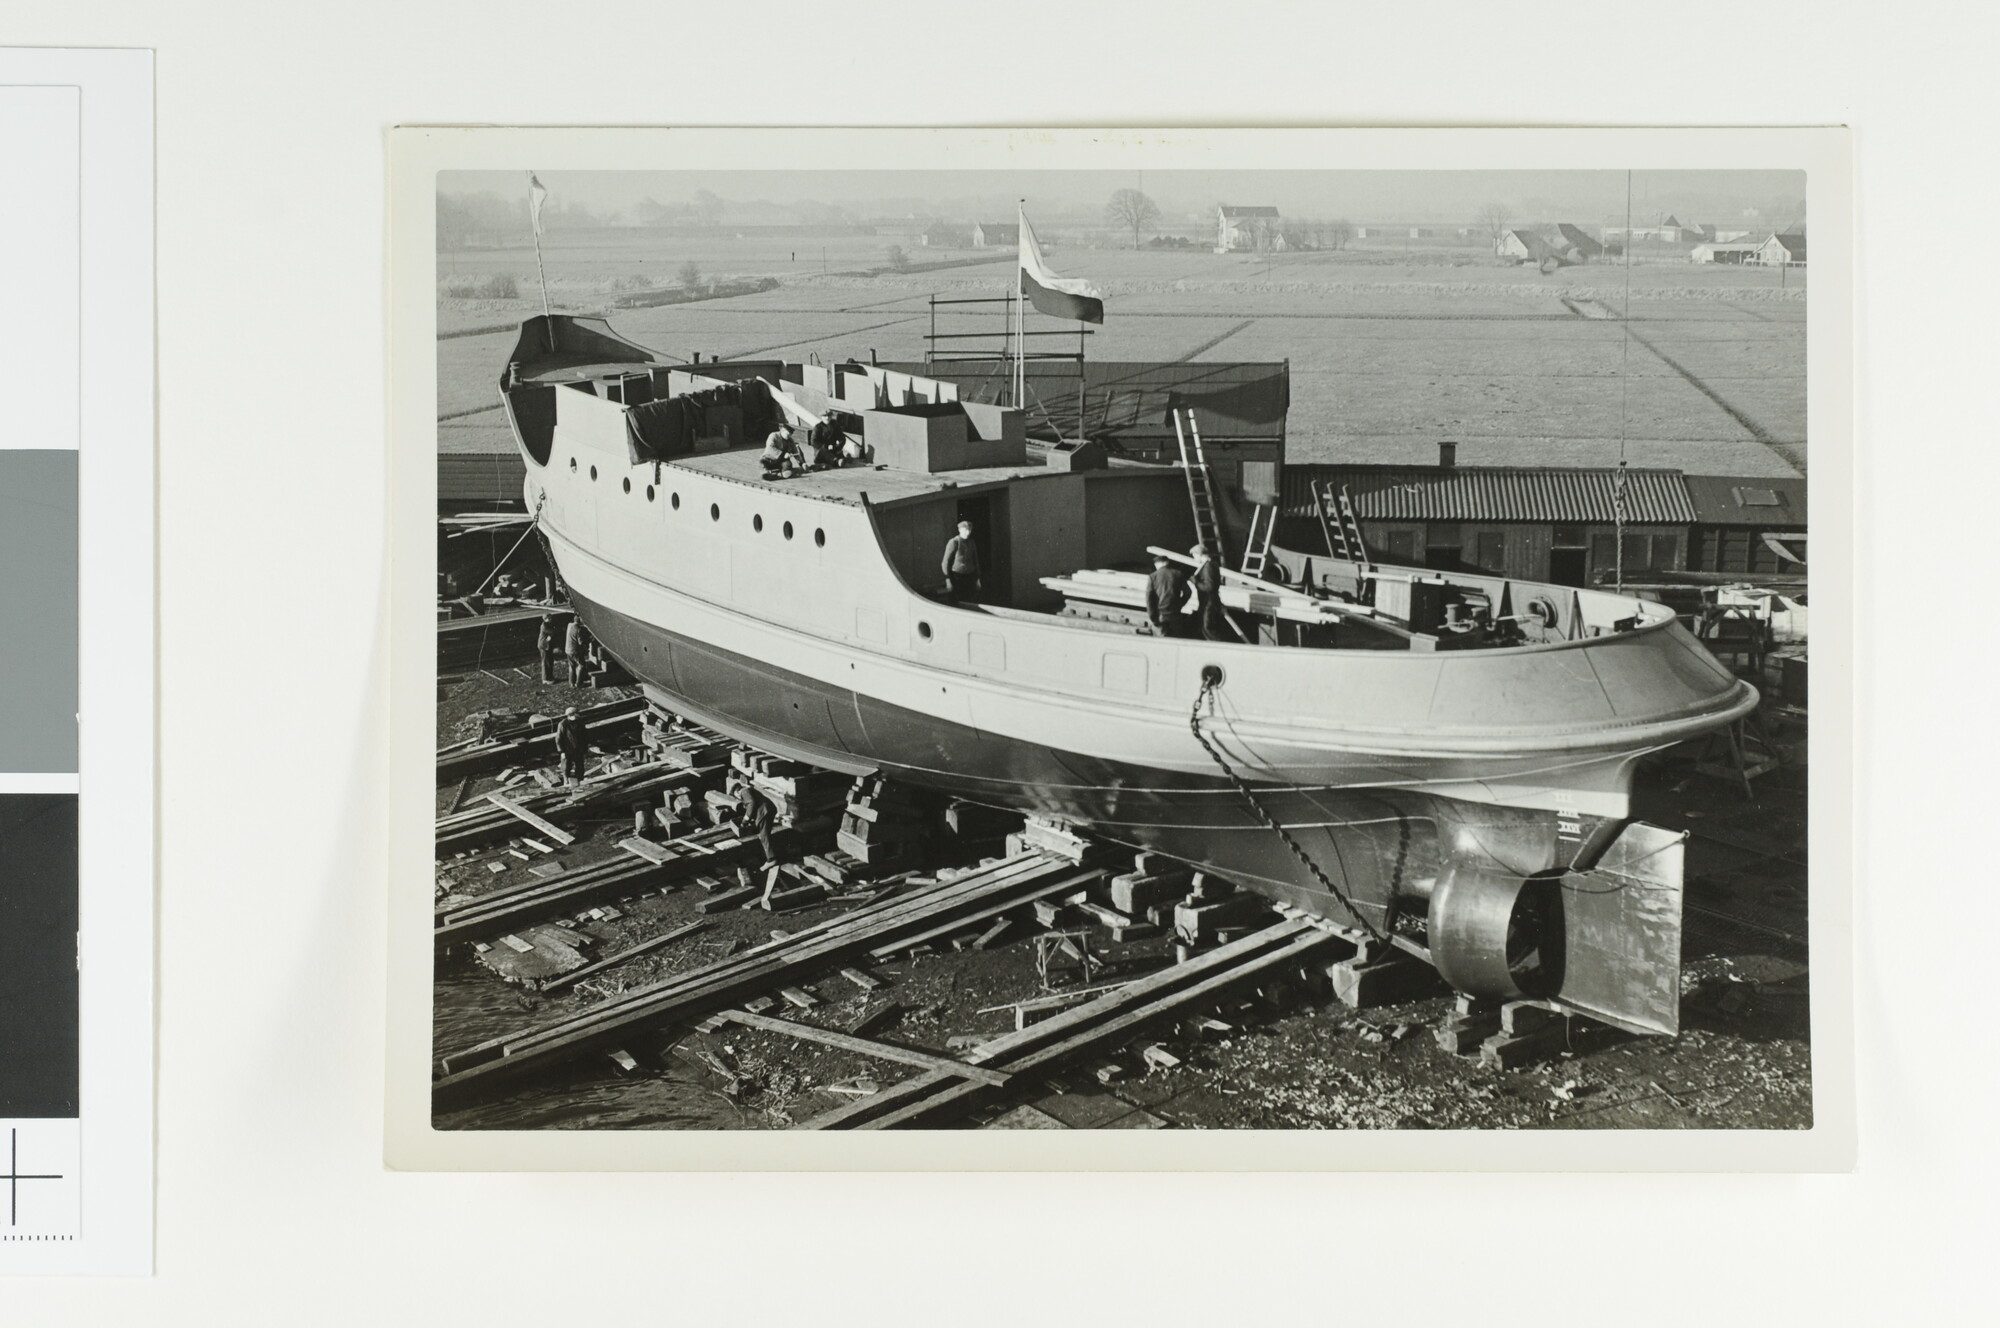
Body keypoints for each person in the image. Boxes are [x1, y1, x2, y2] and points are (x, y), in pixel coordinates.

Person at [1189, 543, 1229, 641]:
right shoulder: (1212, 564)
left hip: (1208, 603)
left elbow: (1209, 586)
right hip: (1211, 602)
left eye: (1194, 556)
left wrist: (1196, 582)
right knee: (1208, 628)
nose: (1194, 558)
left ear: (1199, 554)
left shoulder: (1208, 567)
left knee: (1207, 628)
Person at [1145, 552, 1190, 636]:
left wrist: (1152, 617)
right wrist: (1180, 604)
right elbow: (1188, 592)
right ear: (1167, 563)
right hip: (1175, 613)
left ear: (1157, 565)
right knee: (1177, 639)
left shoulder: (1153, 576)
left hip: (1160, 614)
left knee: (1163, 640)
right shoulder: (1177, 574)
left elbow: (1149, 599)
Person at [941, 520, 982, 603]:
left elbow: (975, 561)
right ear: (960, 530)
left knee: (970, 600)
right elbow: (945, 562)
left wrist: (977, 578)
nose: (967, 532)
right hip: (957, 577)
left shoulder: (971, 542)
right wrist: (948, 579)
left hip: (970, 577)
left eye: (969, 530)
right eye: (965, 530)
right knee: (958, 601)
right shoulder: (954, 542)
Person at [554, 707, 587, 786]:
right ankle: (567, 781)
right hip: (567, 749)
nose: (576, 716)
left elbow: (585, 735)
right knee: (566, 767)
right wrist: (561, 751)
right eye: (574, 714)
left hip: (578, 749)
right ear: (569, 715)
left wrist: (585, 748)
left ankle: (580, 780)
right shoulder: (563, 724)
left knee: (580, 766)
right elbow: (558, 739)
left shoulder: (580, 722)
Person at [563, 615, 588, 685]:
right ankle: (579, 683)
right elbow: (581, 642)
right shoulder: (578, 630)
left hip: (568, 650)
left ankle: (571, 682)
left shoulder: (569, 625)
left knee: (571, 665)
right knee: (581, 665)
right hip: (575, 651)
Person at [536, 613, 559, 684]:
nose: (550, 619)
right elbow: (552, 632)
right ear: (545, 619)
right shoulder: (544, 626)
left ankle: (549, 676)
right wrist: (553, 631)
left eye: (550, 618)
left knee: (549, 661)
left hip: (547, 645)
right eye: (549, 618)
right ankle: (545, 679)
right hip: (544, 645)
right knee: (546, 662)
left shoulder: (548, 624)